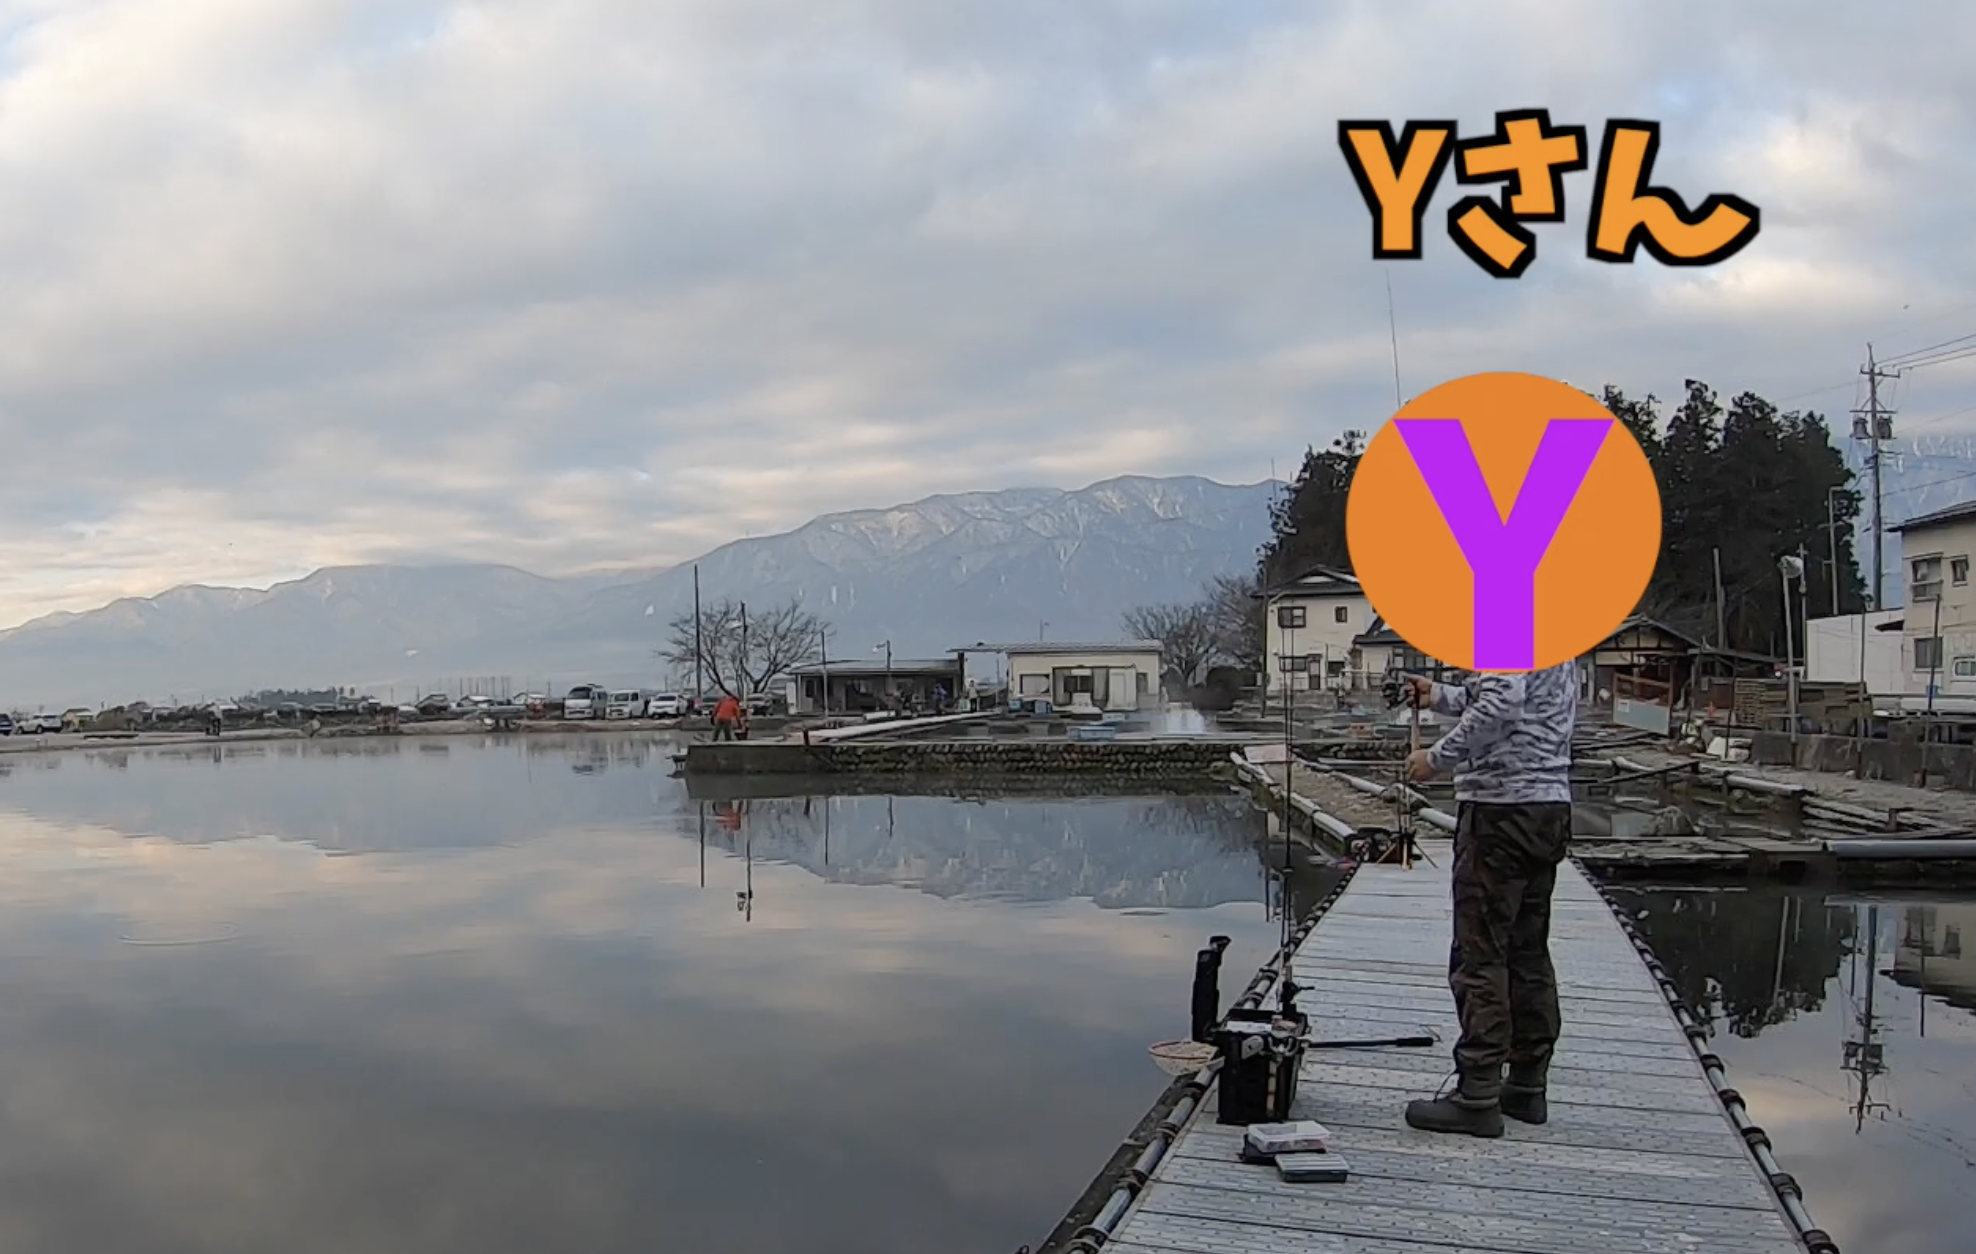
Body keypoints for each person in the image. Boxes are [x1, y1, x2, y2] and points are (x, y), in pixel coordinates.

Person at [1398, 659, 1579, 1138]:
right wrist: (1439, 695)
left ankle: (1477, 1093)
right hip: (1546, 806)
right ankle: (1526, 1084)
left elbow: (1502, 704)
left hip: (1499, 811)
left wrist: (1436, 758)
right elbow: (1514, 697)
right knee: (1526, 950)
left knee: (1480, 952)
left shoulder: (1505, 620)